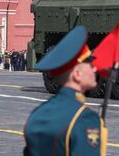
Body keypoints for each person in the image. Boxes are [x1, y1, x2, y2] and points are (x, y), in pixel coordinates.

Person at [23, 26, 105, 155]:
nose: (95, 69)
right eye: (90, 64)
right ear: (77, 74)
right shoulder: (85, 118)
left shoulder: (37, 114)